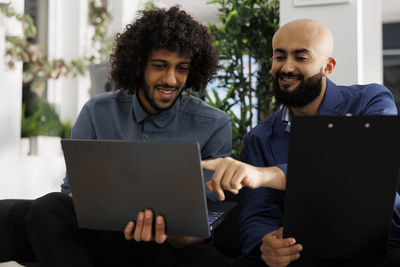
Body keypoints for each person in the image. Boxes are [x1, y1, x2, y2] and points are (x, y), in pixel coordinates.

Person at [23, 6, 232, 267]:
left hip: (168, 246)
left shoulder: (214, 124)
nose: (171, 79)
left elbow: (205, 222)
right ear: (138, 64)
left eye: (182, 68)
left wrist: (171, 232)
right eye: (159, 66)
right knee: (47, 208)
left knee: (208, 261)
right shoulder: (97, 112)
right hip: (104, 239)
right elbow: (71, 196)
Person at [203, 19, 400, 267]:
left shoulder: (370, 100)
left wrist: (266, 175)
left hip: (381, 245)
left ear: (327, 66)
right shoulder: (259, 138)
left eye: (301, 57)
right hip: (303, 250)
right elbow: (258, 213)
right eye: (279, 56)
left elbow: (362, 163)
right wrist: (265, 242)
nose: (287, 67)